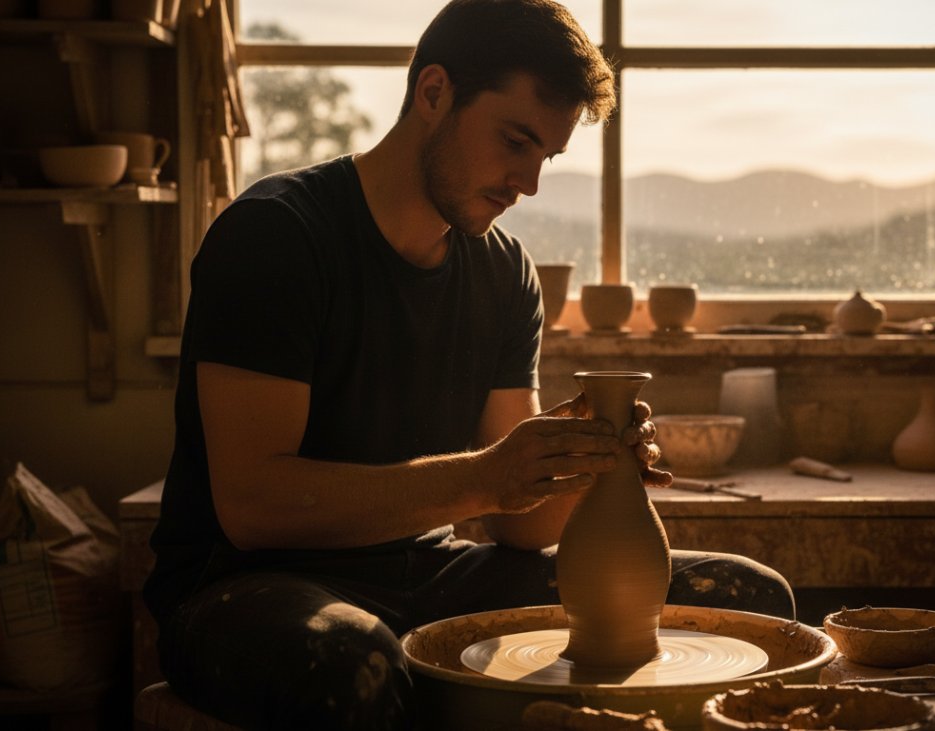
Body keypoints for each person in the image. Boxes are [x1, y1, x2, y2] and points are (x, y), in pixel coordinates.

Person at [143, 1, 795, 728]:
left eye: (545, 155)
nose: (530, 182)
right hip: (252, 585)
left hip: (425, 573)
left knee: (745, 599)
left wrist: (587, 462)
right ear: (433, 93)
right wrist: (486, 476)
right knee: (354, 662)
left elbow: (520, 526)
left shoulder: (503, 273)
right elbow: (253, 505)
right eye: (515, 141)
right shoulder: (276, 236)